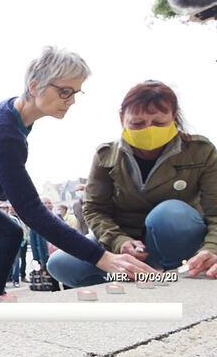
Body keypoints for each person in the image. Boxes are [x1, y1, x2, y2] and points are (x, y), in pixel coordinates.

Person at [0, 46, 157, 302]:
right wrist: (101, 257)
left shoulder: (16, 121)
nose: (71, 100)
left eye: (75, 93)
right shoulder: (2, 130)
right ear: (35, 85)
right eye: (65, 91)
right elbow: (31, 210)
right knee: (7, 235)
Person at [47, 80, 217, 286]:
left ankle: (178, 277)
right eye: (138, 123)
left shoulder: (200, 151)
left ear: (174, 117)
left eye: (159, 123)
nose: (148, 130)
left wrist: (212, 248)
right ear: (122, 119)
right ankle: (131, 278)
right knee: (61, 263)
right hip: (126, 244)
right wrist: (120, 242)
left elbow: (214, 211)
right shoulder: (106, 156)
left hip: (178, 239)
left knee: (170, 214)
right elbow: (94, 209)